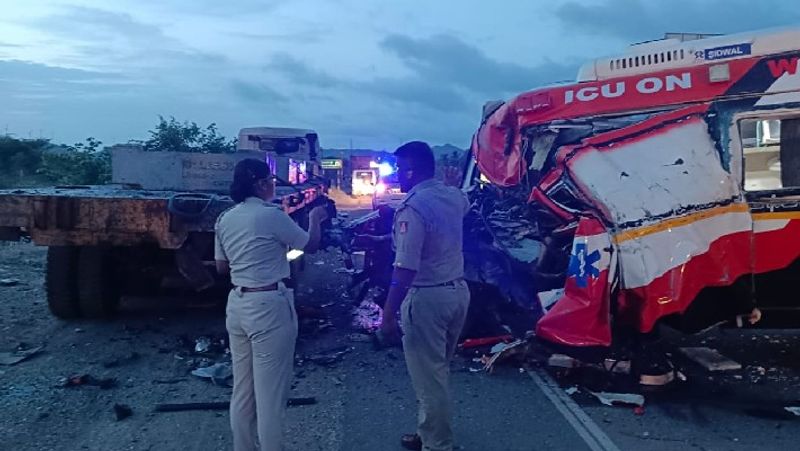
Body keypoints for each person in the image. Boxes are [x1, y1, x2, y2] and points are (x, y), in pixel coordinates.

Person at [214, 158, 328, 451]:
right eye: (272, 182)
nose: (273, 187)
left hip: (238, 304)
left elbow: (221, 268)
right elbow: (309, 244)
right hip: (268, 306)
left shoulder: (225, 218)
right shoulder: (271, 215)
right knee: (271, 397)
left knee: (243, 390)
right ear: (262, 184)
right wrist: (316, 219)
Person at [380, 141, 471, 451]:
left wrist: (388, 314)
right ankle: (428, 432)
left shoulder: (413, 207)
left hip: (427, 299)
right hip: (457, 292)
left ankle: (439, 445)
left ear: (411, 170)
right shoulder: (453, 196)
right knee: (436, 370)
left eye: (398, 168)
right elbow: (463, 202)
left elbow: (405, 268)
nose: (396, 175)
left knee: (429, 378)